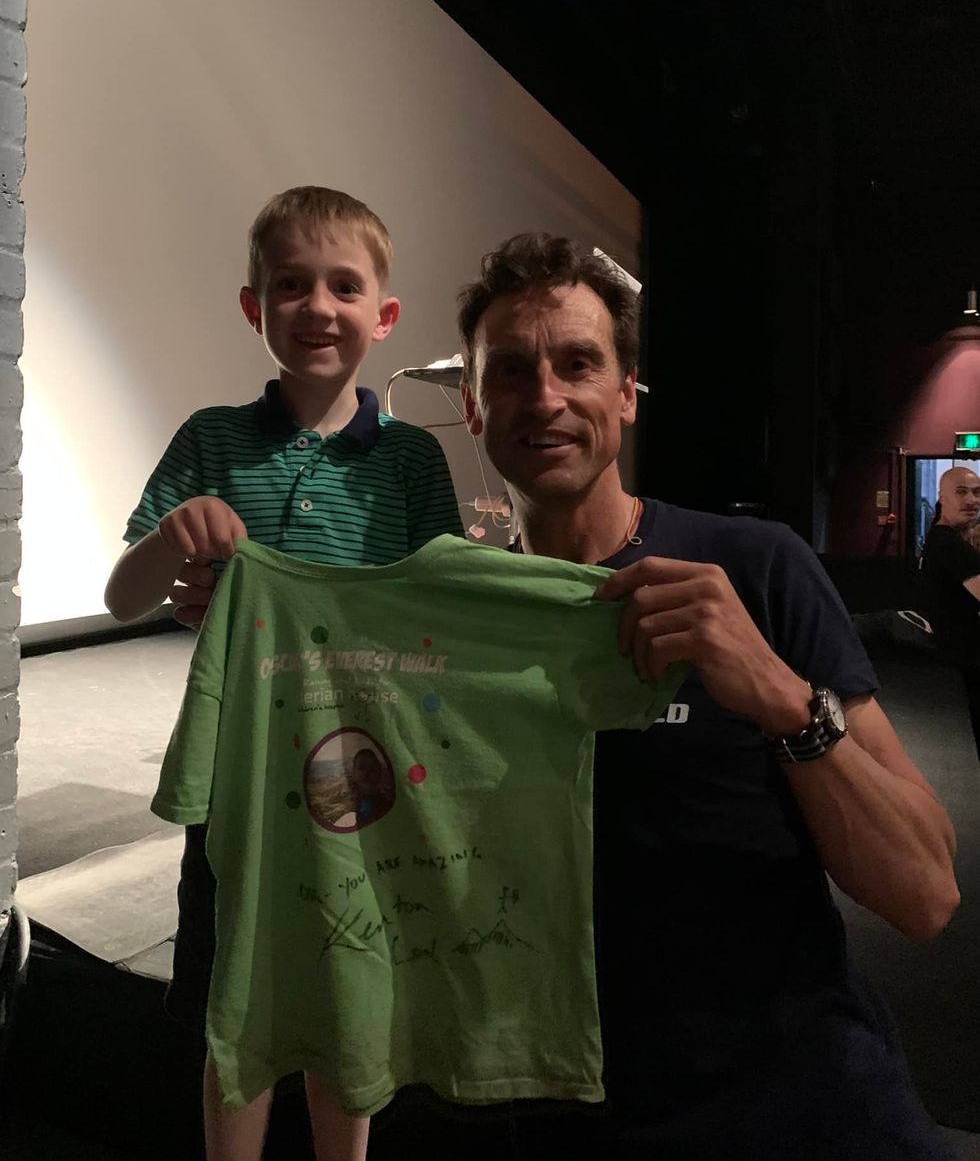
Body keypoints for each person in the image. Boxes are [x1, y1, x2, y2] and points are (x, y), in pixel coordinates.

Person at [444, 232, 958, 1160]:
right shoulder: (456, 618)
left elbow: (925, 893)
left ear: (627, 395)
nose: (546, 395)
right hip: (559, 1111)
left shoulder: (756, 569)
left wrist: (780, 696)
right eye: (512, 371)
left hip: (796, 1099)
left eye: (578, 364)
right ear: (475, 409)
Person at [104, 186, 463, 1161]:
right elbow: (121, 595)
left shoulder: (410, 460)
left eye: (344, 285)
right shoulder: (210, 443)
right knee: (238, 996)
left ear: (382, 314)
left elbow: (447, 603)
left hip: (365, 778)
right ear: (252, 305)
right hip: (240, 780)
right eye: (291, 283)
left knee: (350, 995)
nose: (317, 304)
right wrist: (171, 537)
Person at [919, 464, 980, 760]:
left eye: (977, 492)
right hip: (966, 660)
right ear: (941, 497)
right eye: (961, 492)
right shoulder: (951, 546)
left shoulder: (937, 539)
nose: (972, 499)